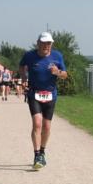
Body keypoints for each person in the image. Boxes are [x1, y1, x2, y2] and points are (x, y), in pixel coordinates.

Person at [19, 32, 68, 170]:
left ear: (51, 44)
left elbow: (65, 74)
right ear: (38, 43)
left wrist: (57, 72)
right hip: (34, 93)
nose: (46, 46)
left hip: (51, 95)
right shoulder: (29, 56)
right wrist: (23, 78)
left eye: (49, 43)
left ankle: (42, 151)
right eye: (44, 43)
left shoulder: (57, 56)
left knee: (47, 126)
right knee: (37, 123)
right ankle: (36, 155)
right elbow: (21, 66)